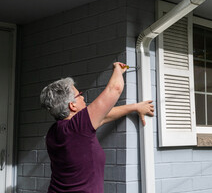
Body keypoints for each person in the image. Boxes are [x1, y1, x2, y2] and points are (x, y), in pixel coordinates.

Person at [40, 62, 154, 193]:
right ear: (72, 105)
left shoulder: (55, 131)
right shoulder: (77, 128)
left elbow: (103, 116)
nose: (82, 97)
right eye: (79, 95)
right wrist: (118, 69)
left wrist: (135, 107)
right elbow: (115, 89)